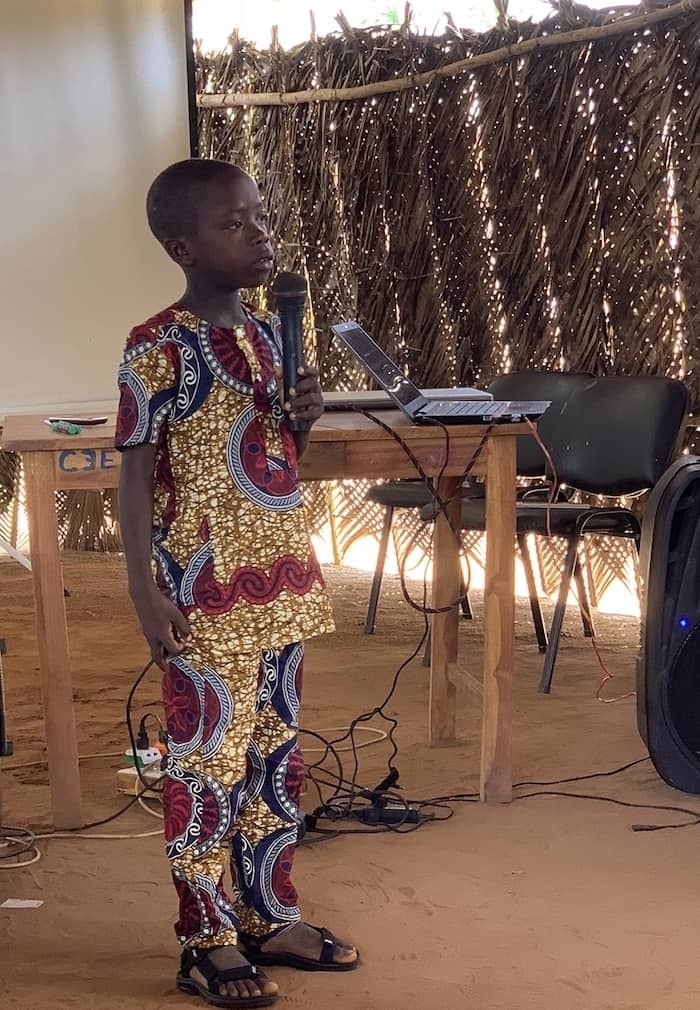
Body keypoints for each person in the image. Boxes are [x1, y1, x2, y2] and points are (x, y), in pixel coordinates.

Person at [115, 158, 358, 1008]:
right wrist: (145, 588)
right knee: (206, 765)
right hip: (206, 589)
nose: (259, 235)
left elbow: (273, 457)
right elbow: (136, 474)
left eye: (260, 218)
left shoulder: (265, 331)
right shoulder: (156, 345)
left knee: (273, 759)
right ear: (183, 246)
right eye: (235, 224)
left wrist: (304, 416)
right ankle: (206, 936)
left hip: (282, 580)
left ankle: (269, 913)